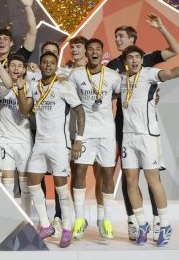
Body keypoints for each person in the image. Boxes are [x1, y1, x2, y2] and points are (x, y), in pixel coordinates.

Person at [118, 46, 179, 246]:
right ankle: (142, 225)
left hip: (148, 137)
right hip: (128, 138)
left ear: (142, 59)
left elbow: (171, 73)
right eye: (130, 57)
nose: (134, 60)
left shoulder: (150, 74)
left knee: (153, 181)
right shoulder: (122, 79)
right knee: (130, 182)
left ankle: (165, 224)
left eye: (137, 57)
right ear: (126, 61)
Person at [105, 14, 179, 240]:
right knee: (129, 177)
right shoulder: (113, 66)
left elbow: (174, 51)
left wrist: (161, 27)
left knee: (151, 176)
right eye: (115, 36)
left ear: (133, 38)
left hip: (145, 128)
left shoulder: (147, 61)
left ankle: (160, 221)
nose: (117, 40)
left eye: (121, 36)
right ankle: (135, 221)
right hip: (122, 125)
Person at [23, 51, 84, 247]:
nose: (48, 66)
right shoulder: (34, 85)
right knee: (32, 183)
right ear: (40, 65)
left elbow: (80, 111)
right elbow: (26, 110)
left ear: (56, 66)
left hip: (59, 143)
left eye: (52, 63)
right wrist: (19, 90)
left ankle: (67, 228)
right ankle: (45, 225)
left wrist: (79, 139)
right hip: (40, 142)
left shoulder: (64, 86)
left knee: (61, 188)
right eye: (45, 63)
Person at [68, 38, 123, 241]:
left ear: (102, 53)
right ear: (86, 53)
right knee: (80, 172)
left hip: (107, 133)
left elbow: (121, 93)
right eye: (90, 49)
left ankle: (106, 220)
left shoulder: (112, 76)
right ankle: (80, 219)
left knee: (107, 175)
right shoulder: (76, 75)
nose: (93, 52)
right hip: (84, 132)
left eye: (97, 49)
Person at [0, 54, 35, 218]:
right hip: (5, 140)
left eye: (20, 66)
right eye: (13, 65)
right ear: (8, 68)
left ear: (24, 69)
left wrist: (20, 88)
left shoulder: (31, 87)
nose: (16, 69)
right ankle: (10, 219)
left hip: (24, 141)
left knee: (26, 185)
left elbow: (24, 110)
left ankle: (26, 218)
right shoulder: (0, 87)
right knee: (7, 184)